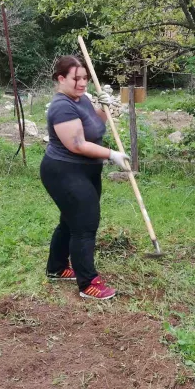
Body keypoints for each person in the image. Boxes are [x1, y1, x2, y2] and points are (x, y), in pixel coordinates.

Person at [40, 55, 132, 300]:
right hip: (64, 171)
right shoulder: (61, 106)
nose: (82, 83)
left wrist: (104, 108)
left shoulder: (80, 99)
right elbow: (77, 144)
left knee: (70, 221)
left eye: (85, 78)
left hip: (86, 170)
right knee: (85, 224)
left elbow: (93, 126)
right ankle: (88, 283)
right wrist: (111, 154)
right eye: (76, 79)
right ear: (61, 79)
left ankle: (57, 268)